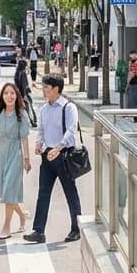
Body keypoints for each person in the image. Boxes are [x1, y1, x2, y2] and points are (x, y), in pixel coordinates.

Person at [23, 74, 82, 245]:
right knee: (43, 193)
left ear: (56, 89)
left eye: (46, 88)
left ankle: (76, 228)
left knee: (70, 193)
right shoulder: (44, 109)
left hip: (63, 155)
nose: (44, 91)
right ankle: (38, 231)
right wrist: (38, 143)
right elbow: (41, 129)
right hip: (47, 155)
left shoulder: (68, 108)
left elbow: (71, 130)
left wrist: (58, 148)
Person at [0, 82, 32, 239]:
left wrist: (27, 159)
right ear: (2, 96)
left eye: (12, 93)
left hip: (15, 156)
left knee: (8, 192)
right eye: (6, 93)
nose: (9, 96)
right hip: (1, 155)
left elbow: (24, 138)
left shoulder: (21, 114)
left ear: (16, 95)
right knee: (7, 192)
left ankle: (6, 227)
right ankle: (22, 214)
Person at [15, 58, 37, 126]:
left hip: (18, 92)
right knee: (29, 107)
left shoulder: (17, 73)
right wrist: (24, 94)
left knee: (21, 107)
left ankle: (20, 119)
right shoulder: (23, 73)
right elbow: (24, 84)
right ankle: (32, 120)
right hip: (23, 93)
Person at [124, 50, 137, 119]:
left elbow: (131, 74)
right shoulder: (135, 62)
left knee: (133, 100)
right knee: (135, 100)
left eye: (132, 55)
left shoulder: (136, 62)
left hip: (134, 83)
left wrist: (127, 84)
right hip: (136, 82)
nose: (131, 57)